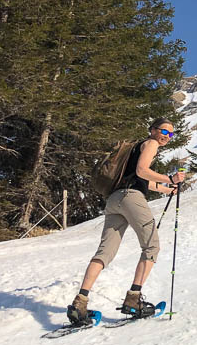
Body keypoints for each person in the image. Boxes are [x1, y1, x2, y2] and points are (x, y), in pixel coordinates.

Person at [67, 118, 186, 325]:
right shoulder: (151, 144)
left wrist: (167, 189)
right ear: (152, 130)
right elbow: (142, 171)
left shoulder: (135, 148)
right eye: (163, 132)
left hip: (115, 199)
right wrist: (171, 178)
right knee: (151, 246)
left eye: (170, 134)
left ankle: (80, 302)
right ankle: (133, 300)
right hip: (131, 197)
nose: (166, 137)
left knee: (104, 252)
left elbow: (143, 180)